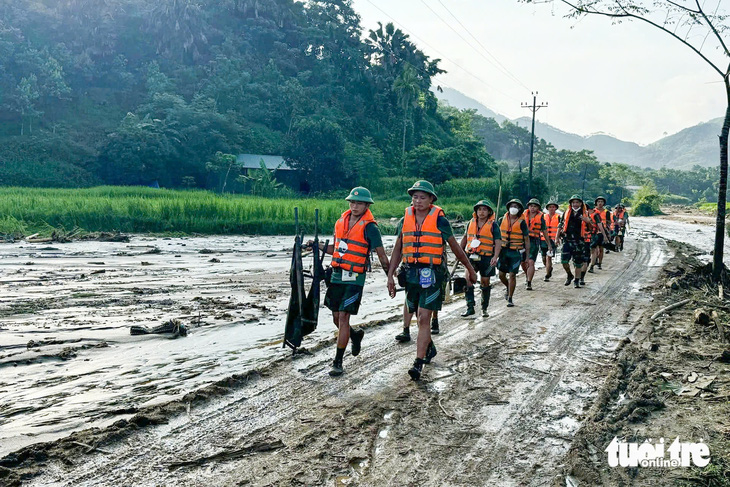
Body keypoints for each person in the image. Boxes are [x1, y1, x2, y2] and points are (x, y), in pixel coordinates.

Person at [387, 180, 477, 381]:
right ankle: (429, 348)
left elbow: (455, 248)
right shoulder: (405, 220)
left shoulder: (440, 221)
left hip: (433, 274)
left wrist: (470, 269)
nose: (417, 201)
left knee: (424, 317)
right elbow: (397, 249)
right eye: (415, 197)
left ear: (431, 199)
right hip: (411, 273)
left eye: (422, 197)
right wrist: (390, 275)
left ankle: (418, 364)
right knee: (417, 316)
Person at [316, 187, 390, 377]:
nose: (355, 206)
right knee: (335, 317)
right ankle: (355, 335)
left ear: (367, 205)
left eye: (359, 203)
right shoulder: (341, 222)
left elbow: (381, 255)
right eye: (352, 202)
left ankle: (338, 361)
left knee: (343, 317)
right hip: (337, 274)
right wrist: (317, 246)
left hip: (355, 277)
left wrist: (390, 276)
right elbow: (336, 248)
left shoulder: (371, 228)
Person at [460, 199, 502, 318]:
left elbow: (498, 242)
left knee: (485, 282)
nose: (481, 212)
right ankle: (470, 307)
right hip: (471, 256)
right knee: (468, 279)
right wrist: (460, 252)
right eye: (479, 209)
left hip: (486, 257)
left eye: (484, 209)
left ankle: (484, 308)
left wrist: (495, 257)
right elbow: (465, 238)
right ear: (476, 211)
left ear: (489, 212)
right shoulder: (470, 223)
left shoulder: (493, 225)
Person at [555, 195, 593, 288]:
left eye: (577, 202)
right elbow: (560, 225)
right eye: (573, 202)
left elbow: (591, 229)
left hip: (579, 241)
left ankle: (576, 280)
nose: (575, 204)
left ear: (581, 203)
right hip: (567, 240)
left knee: (578, 262)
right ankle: (569, 274)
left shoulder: (585, 213)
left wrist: (588, 221)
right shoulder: (566, 212)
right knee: (564, 261)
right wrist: (556, 238)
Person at [497, 199, 529, 307]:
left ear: (519, 209)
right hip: (503, 251)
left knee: (512, 275)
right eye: (512, 206)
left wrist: (527, 256)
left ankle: (510, 298)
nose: (513, 208)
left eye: (516, 206)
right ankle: (508, 286)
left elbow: (526, 240)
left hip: (515, 252)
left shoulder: (522, 222)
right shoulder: (502, 219)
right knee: (501, 275)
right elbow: (496, 236)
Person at [522, 198, 554, 290]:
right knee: (523, 262)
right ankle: (527, 275)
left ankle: (529, 282)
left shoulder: (541, 217)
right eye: (531, 206)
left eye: (535, 206)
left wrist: (549, 245)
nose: (532, 208)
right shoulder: (523, 215)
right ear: (528, 207)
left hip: (534, 241)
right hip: (522, 240)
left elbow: (544, 231)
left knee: (531, 262)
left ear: (538, 208)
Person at [588, 196, 612, 273]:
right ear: (596, 203)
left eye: (601, 202)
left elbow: (608, 222)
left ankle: (599, 263)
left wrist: (607, 233)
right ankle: (594, 261)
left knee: (601, 249)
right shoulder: (592, 211)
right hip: (594, 232)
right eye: (599, 202)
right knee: (594, 249)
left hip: (602, 231)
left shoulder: (606, 212)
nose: (600, 203)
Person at [542, 201, 560, 282]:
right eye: (550, 207)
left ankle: (547, 275)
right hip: (543, 239)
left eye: (553, 207)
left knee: (548, 257)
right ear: (547, 208)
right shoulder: (543, 216)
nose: (552, 208)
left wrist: (558, 238)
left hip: (553, 240)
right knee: (543, 259)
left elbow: (561, 228)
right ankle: (549, 268)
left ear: (556, 208)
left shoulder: (558, 217)